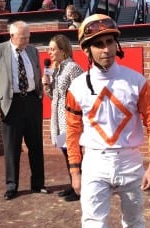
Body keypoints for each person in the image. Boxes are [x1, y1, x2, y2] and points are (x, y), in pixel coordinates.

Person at [65, 14, 150, 228]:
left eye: (109, 42)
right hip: (94, 161)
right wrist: (74, 171)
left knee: (134, 224)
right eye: (98, 44)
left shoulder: (136, 81)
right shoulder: (77, 87)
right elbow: (72, 132)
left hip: (130, 161)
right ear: (87, 50)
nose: (105, 49)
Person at [0, 21, 49, 200]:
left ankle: (38, 184)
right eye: (23, 37)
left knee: (36, 146)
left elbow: (35, 73)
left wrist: (40, 91)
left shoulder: (32, 50)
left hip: (31, 101)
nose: (27, 40)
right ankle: (11, 186)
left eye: (28, 36)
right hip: (10, 105)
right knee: (12, 148)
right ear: (12, 36)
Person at [42, 34, 83, 201]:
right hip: (58, 121)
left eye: (52, 49)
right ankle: (73, 183)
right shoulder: (55, 68)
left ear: (62, 50)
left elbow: (81, 93)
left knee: (74, 152)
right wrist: (46, 85)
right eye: (49, 49)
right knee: (66, 152)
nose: (49, 52)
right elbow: (53, 95)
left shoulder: (73, 68)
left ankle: (81, 188)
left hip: (70, 119)